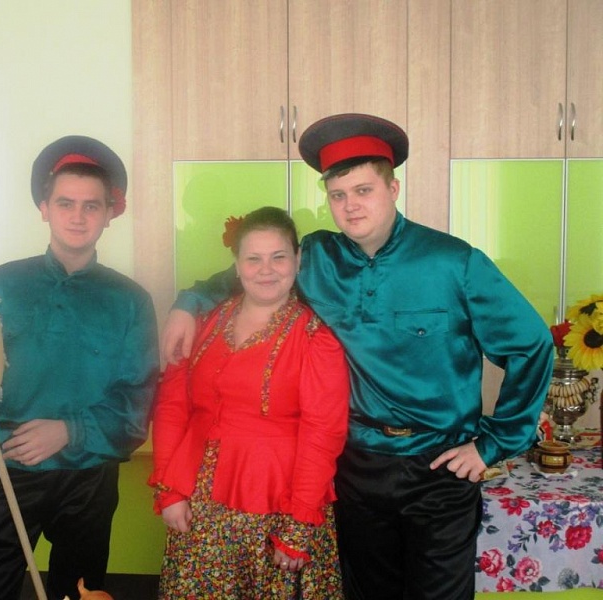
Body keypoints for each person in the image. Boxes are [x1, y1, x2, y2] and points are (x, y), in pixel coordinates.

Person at [160, 114, 554, 600]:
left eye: (363, 190)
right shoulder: (316, 257)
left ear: (393, 188)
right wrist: (187, 304)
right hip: (356, 465)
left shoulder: (453, 261)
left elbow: (532, 345)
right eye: (338, 194)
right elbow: (247, 274)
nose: (350, 206)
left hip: (438, 466)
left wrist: (494, 443)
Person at [0, 135, 159, 600]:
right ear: (44, 208)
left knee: (79, 590)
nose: (78, 216)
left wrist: (69, 430)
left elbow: (137, 400)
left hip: (88, 475)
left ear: (110, 213)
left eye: (91, 206)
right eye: (65, 203)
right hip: (7, 464)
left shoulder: (130, 300)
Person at [149, 206, 350, 599]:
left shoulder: (315, 337)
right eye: (253, 258)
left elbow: (323, 434)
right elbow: (172, 406)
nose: (266, 270)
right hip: (197, 509)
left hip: (278, 508)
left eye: (279, 257)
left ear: (297, 260)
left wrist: (299, 525)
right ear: (237, 265)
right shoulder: (202, 322)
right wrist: (168, 490)